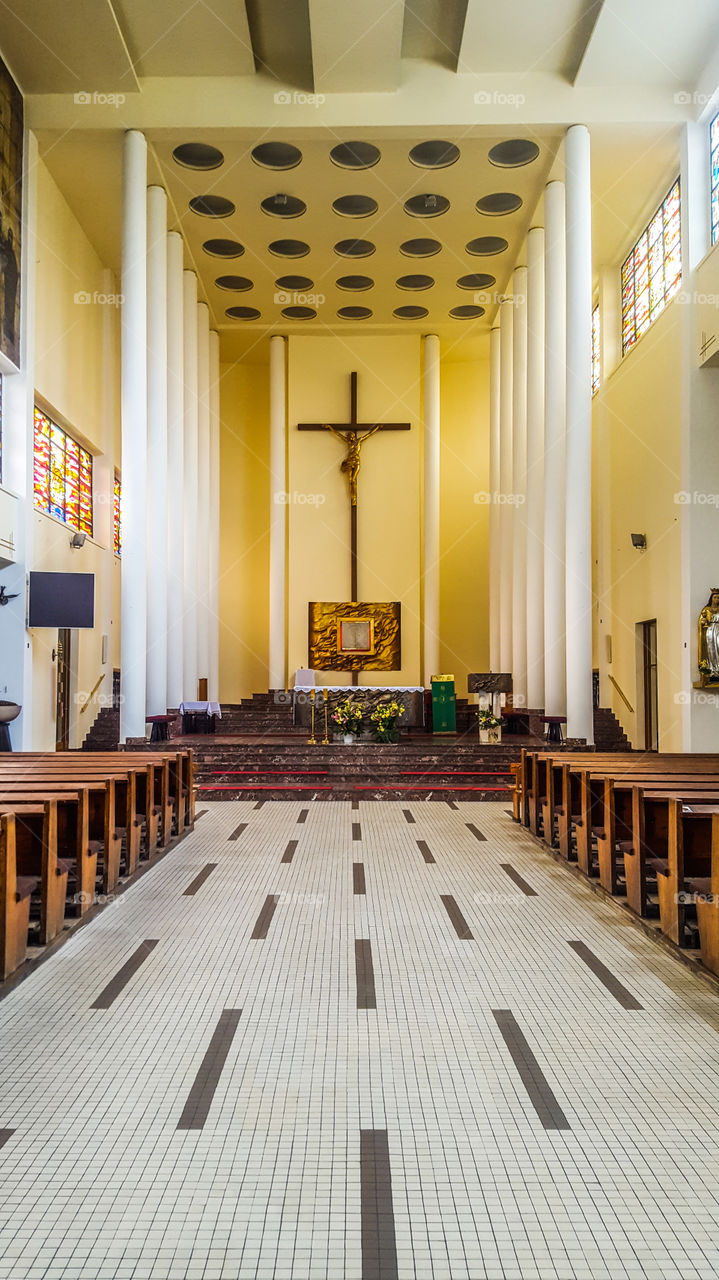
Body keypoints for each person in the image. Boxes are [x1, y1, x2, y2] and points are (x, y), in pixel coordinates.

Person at [324, 423, 381, 506]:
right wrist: (330, 427)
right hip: (350, 461)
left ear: (354, 436)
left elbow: (369, 434)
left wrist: (377, 428)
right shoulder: (348, 442)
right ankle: (352, 497)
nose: (350, 437)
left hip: (356, 461)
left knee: (353, 480)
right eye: (349, 436)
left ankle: (354, 498)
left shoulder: (359, 441)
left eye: (351, 436)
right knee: (350, 480)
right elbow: (338, 434)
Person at [698, 589, 719, 678]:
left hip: (718, 629)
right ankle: (713, 670)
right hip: (710, 630)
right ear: (711, 598)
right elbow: (701, 622)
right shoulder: (706, 610)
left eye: (718, 598)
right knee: (711, 650)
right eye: (715, 597)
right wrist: (702, 622)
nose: (717, 599)